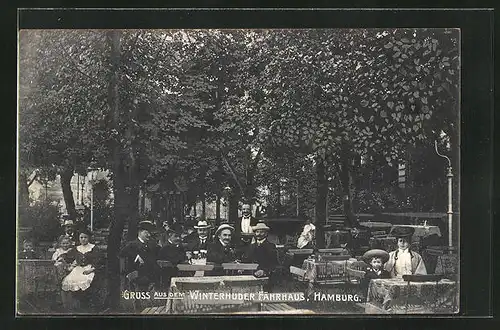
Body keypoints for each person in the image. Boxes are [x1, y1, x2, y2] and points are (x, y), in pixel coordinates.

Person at [60, 228, 104, 312]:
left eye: (85, 237)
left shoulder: (93, 248)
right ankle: (77, 304)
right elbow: (68, 256)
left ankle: (87, 304)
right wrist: (61, 257)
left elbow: (99, 260)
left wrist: (91, 270)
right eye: (81, 237)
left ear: (89, 238)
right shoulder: (77, 248)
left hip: (90, 268)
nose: (83, 239)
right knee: (71, 280)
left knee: (85, 280)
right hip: (79, 268)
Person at [119, 221, 160, 291]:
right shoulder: (132, 245)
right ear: (140, 232)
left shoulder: (152, 244)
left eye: (149, 233)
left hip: (152, 277)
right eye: (146, 233)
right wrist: (136, 257)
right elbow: (121, 255)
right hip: (138, 277)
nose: (149, 235)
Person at [158, 223, 187, 288]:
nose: (178, 238)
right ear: (169, 236)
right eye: (176, 236)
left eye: (179, 236)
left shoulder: (180, 247)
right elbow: (175, 260)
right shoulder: (165, 248)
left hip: (179, 274)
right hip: (168, 279)